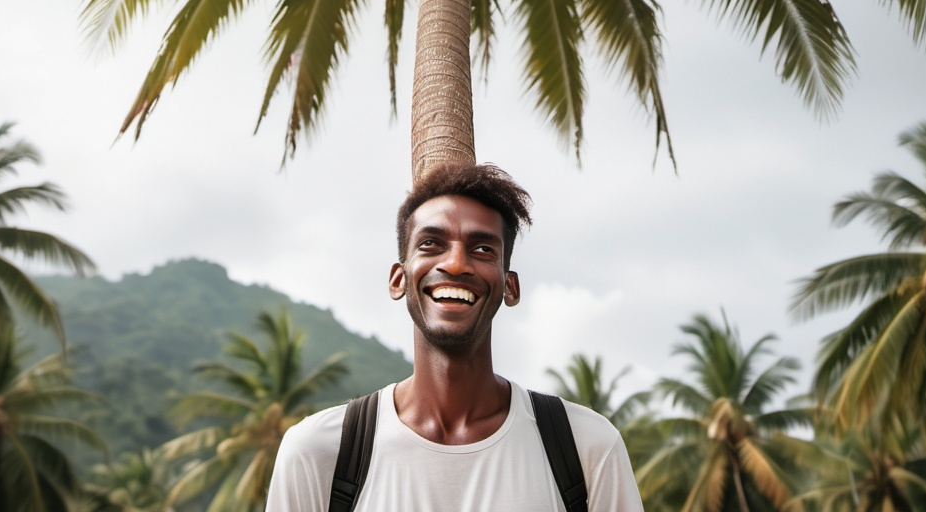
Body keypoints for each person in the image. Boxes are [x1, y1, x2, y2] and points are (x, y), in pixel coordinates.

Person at [265, 163, 645, 511]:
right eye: (431, 244)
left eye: (482, 249)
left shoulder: (586, 447)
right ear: (399, 279)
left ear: (510, 287)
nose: (456, 264)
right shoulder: (319, 453)